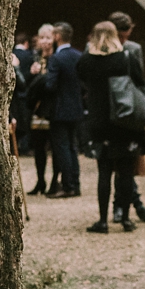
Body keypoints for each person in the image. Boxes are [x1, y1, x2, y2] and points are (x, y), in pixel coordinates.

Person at [76, 22, 145, 234]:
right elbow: (139, 82)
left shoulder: (86, 61)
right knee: (125, 172)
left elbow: (81, 82)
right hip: (124, 120)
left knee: (104, 171)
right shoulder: (125, 58)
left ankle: (102, 220)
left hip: (99, 121)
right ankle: (125, 218)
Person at [108, 12, 145, 224]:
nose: (123, 40)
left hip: (129, 110)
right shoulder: (103, 49)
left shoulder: (133, 49)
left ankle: (124, 205)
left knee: (128, 163)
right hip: (111, 111)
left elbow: (139, 80)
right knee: (121, 163)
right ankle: (132, 205)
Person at [44, 21, 83, 198]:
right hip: (76, 107)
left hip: (59, 109)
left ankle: (68, 185)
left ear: (58, 37)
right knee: (73, 147)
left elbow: (50, 86)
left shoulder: (56, 59)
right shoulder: (79, 55)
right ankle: (75, 182)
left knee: (62, 148)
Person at [26, 25, 60, 195]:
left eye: (48, 38)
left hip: (53, 108)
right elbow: (26, 85)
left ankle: (55, 180)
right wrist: (32, 74)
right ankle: (40, 180)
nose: (45, 42)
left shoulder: (57, 57)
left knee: (55, 146)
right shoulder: (34, 57)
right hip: (38, 109)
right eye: (42, 38)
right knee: (39, 147)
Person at [10, 30, 35, 157]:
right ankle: (24, 147)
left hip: (13, 96)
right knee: (24, 121)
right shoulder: (30, 56)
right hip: (24, 93)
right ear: (26, 43)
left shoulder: (12, 54)